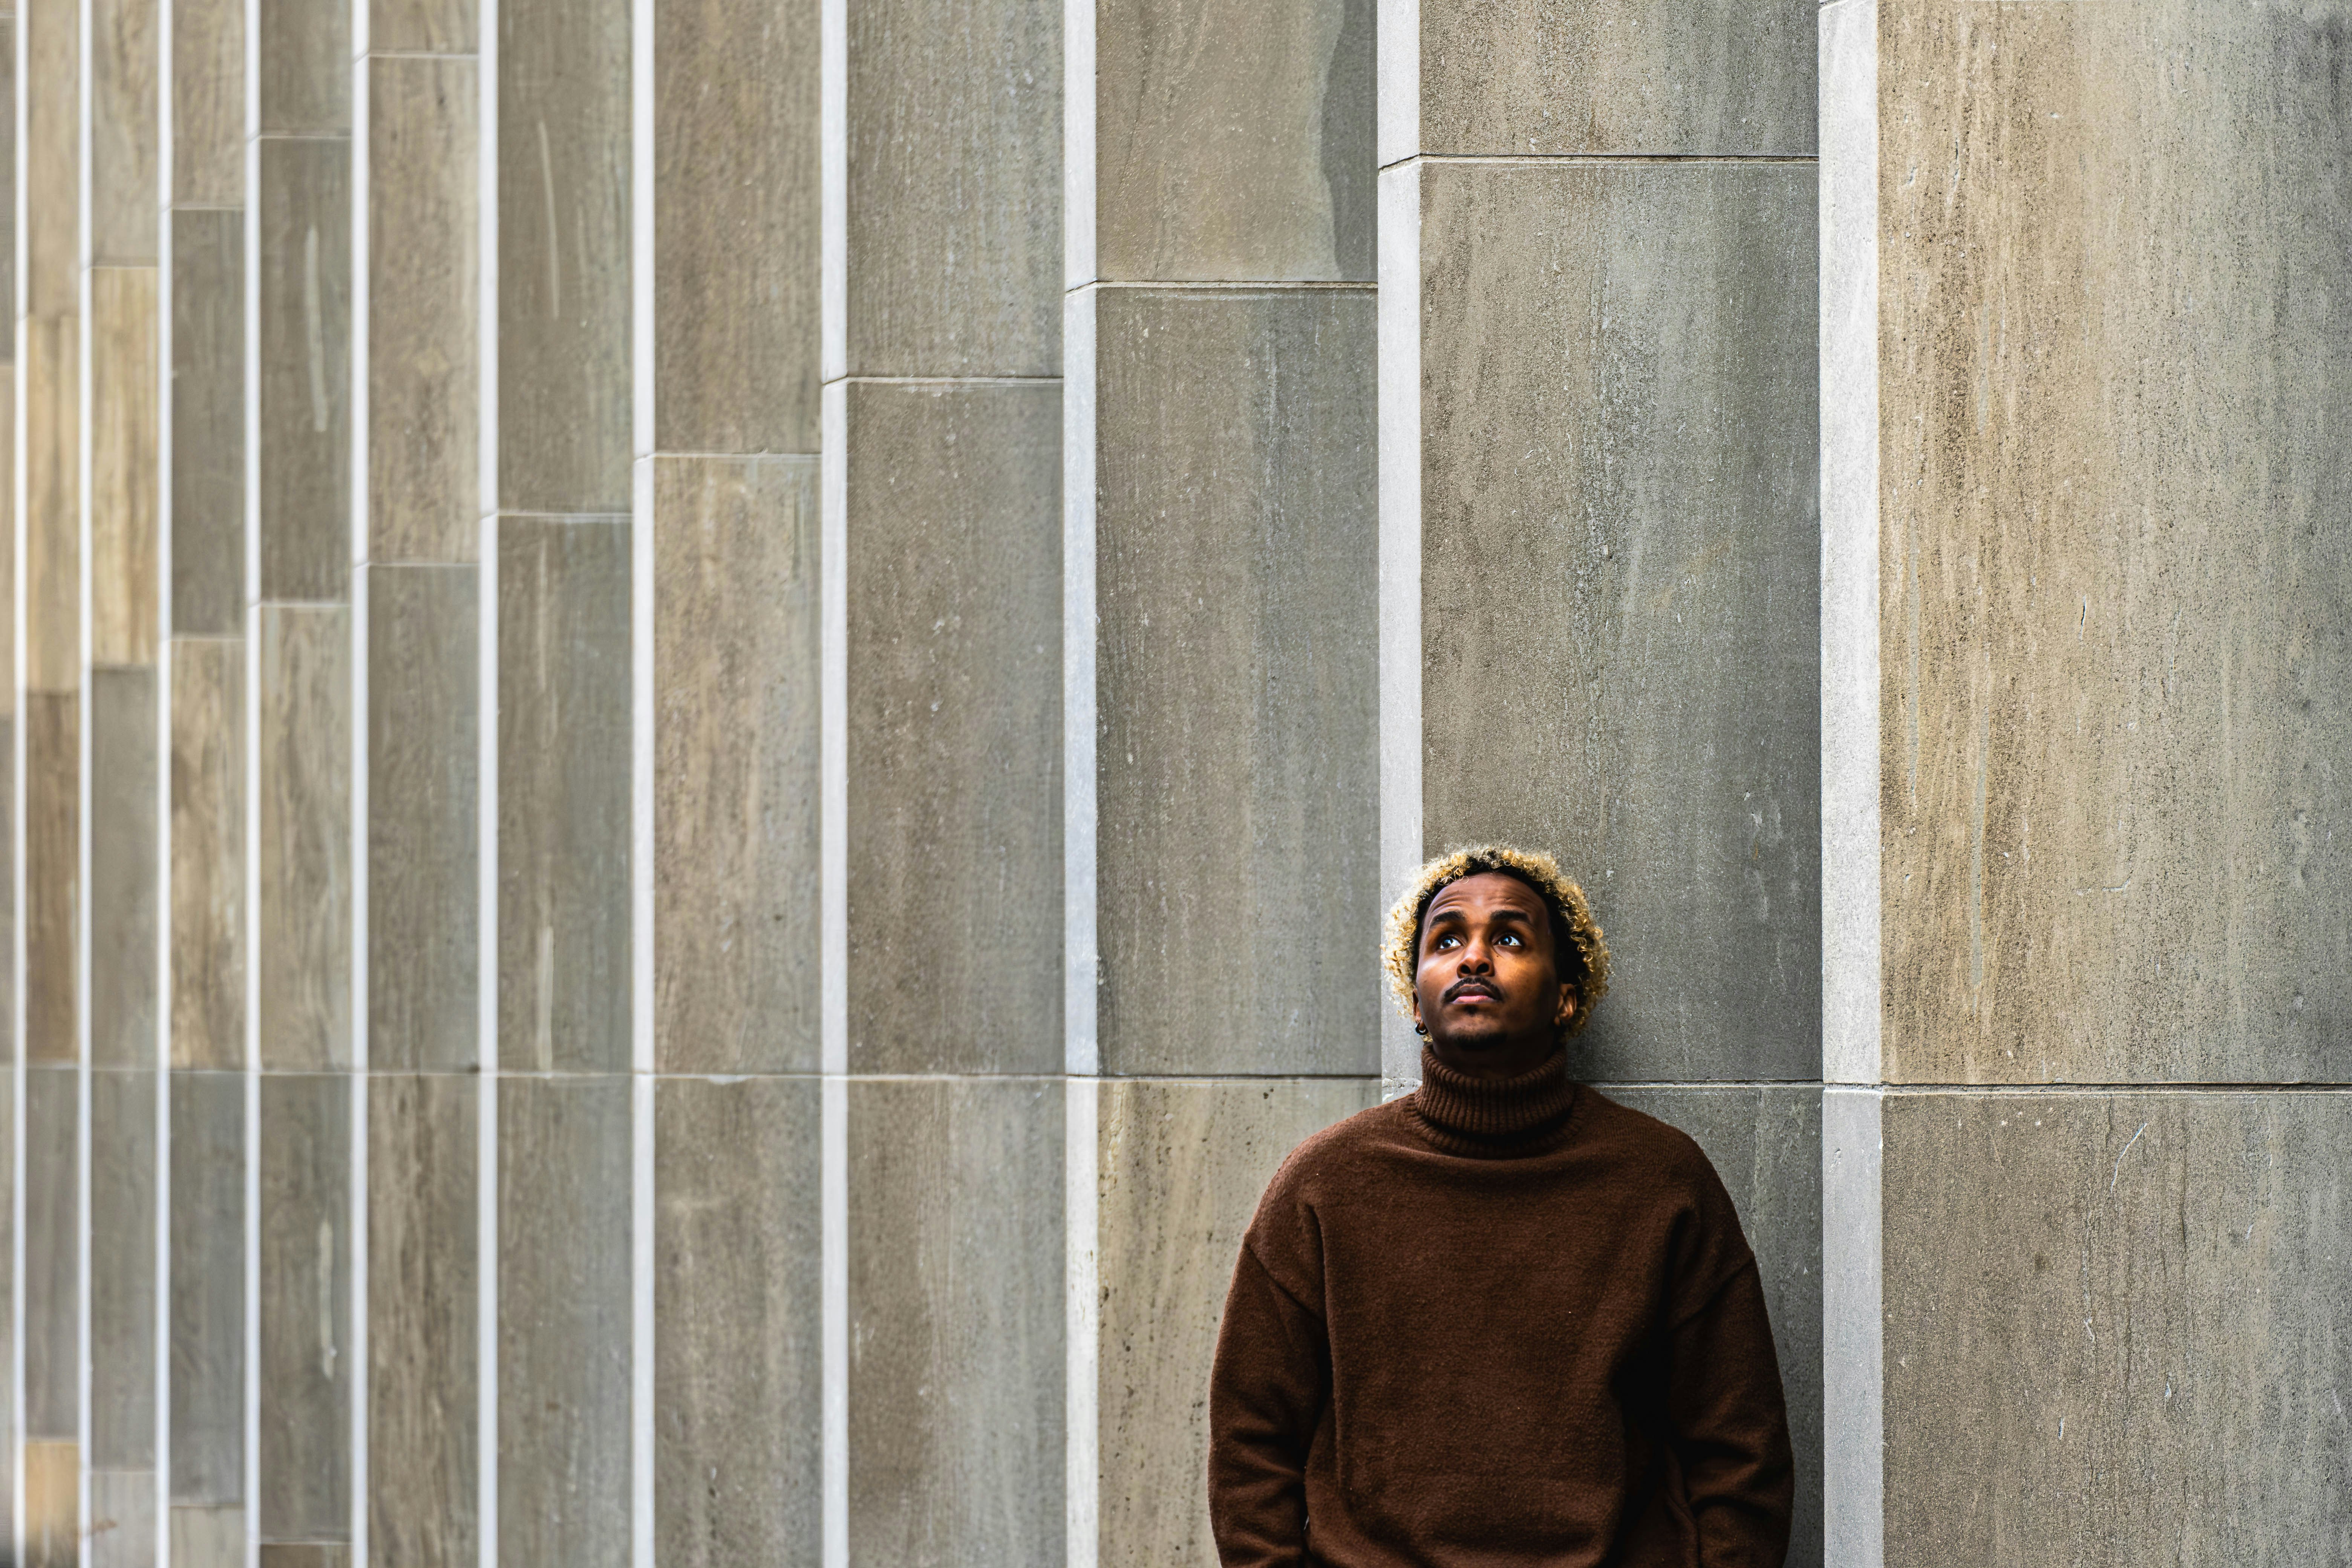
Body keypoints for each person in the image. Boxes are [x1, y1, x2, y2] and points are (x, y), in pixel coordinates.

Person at [1207, 845, 1793, 1566]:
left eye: (1510, 938)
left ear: (1567, 996)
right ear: (1414, 999)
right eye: (1447, 940)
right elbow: (1251, 1442)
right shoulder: (1323, 1184)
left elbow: (1741, 1447)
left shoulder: (1663, 1181)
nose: (1475, 958)